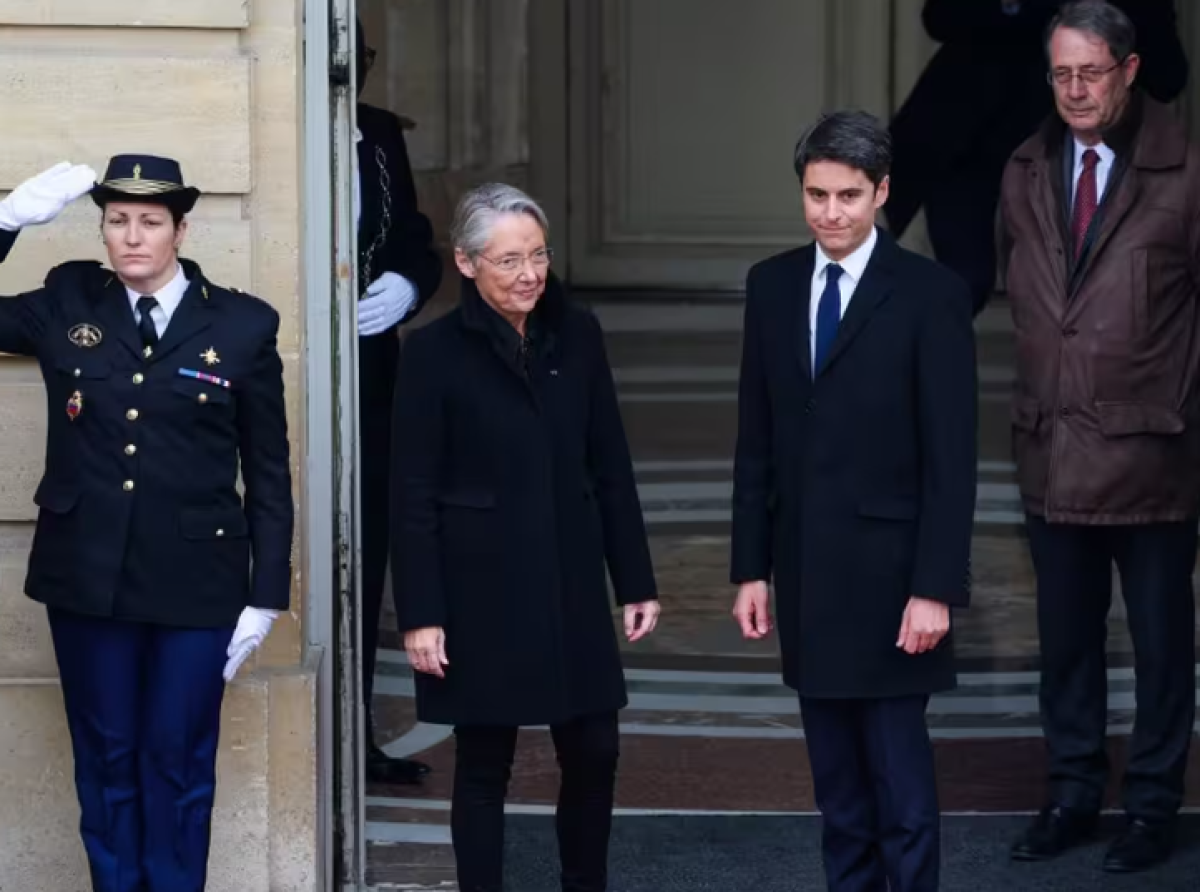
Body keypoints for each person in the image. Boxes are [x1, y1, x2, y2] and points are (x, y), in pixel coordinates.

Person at [0, 156, 292, 891]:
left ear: (180, 231)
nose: (132, 236)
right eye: (117, 220)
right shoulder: (69, 300)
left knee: (178, 762)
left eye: (150, 222)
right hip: (86, 580)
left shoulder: (242, 324)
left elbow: (268, 471)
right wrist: (4, 222)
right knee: (106, 762)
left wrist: (266, 595)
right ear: (102, 230)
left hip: (196, 587)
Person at [730, 111, 977, 891]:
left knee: (902, 795)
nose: (830, 213)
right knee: (838, 798)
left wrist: (935, 588)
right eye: (816, 195)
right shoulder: (770, 286)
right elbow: (756, 441)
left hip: (895, 584)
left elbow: (951, 461)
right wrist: (751, 569)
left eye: (848, 196)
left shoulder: (932, 295)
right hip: (808, 579)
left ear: (882, 192)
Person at [390, 183, 661, 892]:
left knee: (595, 748)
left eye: (538, 255)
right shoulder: (432, 353)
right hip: (479, 588)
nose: (530, 274)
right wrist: (421, 613)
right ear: (466, 262)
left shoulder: (579, 334)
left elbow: (610, 462)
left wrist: (635, 579)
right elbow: (412, 493)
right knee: (484, 763)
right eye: (509, 260)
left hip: (570, 578)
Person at [998, 1, 1198, 873]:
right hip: (1052, 452)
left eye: (1091, 72)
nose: (1075, 90)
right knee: (1066, 645)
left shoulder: (1187, 171)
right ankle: (1072, 795)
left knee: (1162, 648)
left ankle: (1152, 806)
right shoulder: (1024, 167)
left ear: (1130, 69)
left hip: (1153, 455)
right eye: (1061, 73)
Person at [886, 0, 1187, 311]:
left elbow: (1169, 77)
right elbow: (940, 16)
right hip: (969, 140)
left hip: (1072, 159)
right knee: (964, 278)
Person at [353, 15, 444, 785]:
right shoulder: (288, 134)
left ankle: (356, 734)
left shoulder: (378, 133)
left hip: (372, 372)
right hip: (283, 367)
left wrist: (408, 285)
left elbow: (414, 235)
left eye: (364, 58)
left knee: (368, 548)